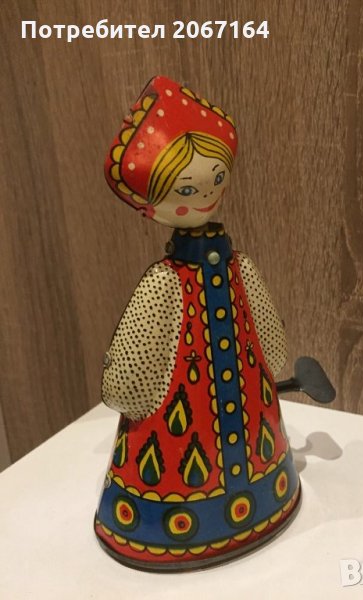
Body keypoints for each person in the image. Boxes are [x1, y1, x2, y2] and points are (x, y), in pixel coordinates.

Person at [95, 75, 300, 570]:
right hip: (176, 433)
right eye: (186, 189)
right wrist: (129, 393)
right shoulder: (162, 284)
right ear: (153, 206)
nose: (207, 193)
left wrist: (272, 360)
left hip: (256, 434)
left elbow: (271, 344)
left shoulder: (240, 267)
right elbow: (130, 377)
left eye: (216, 178)